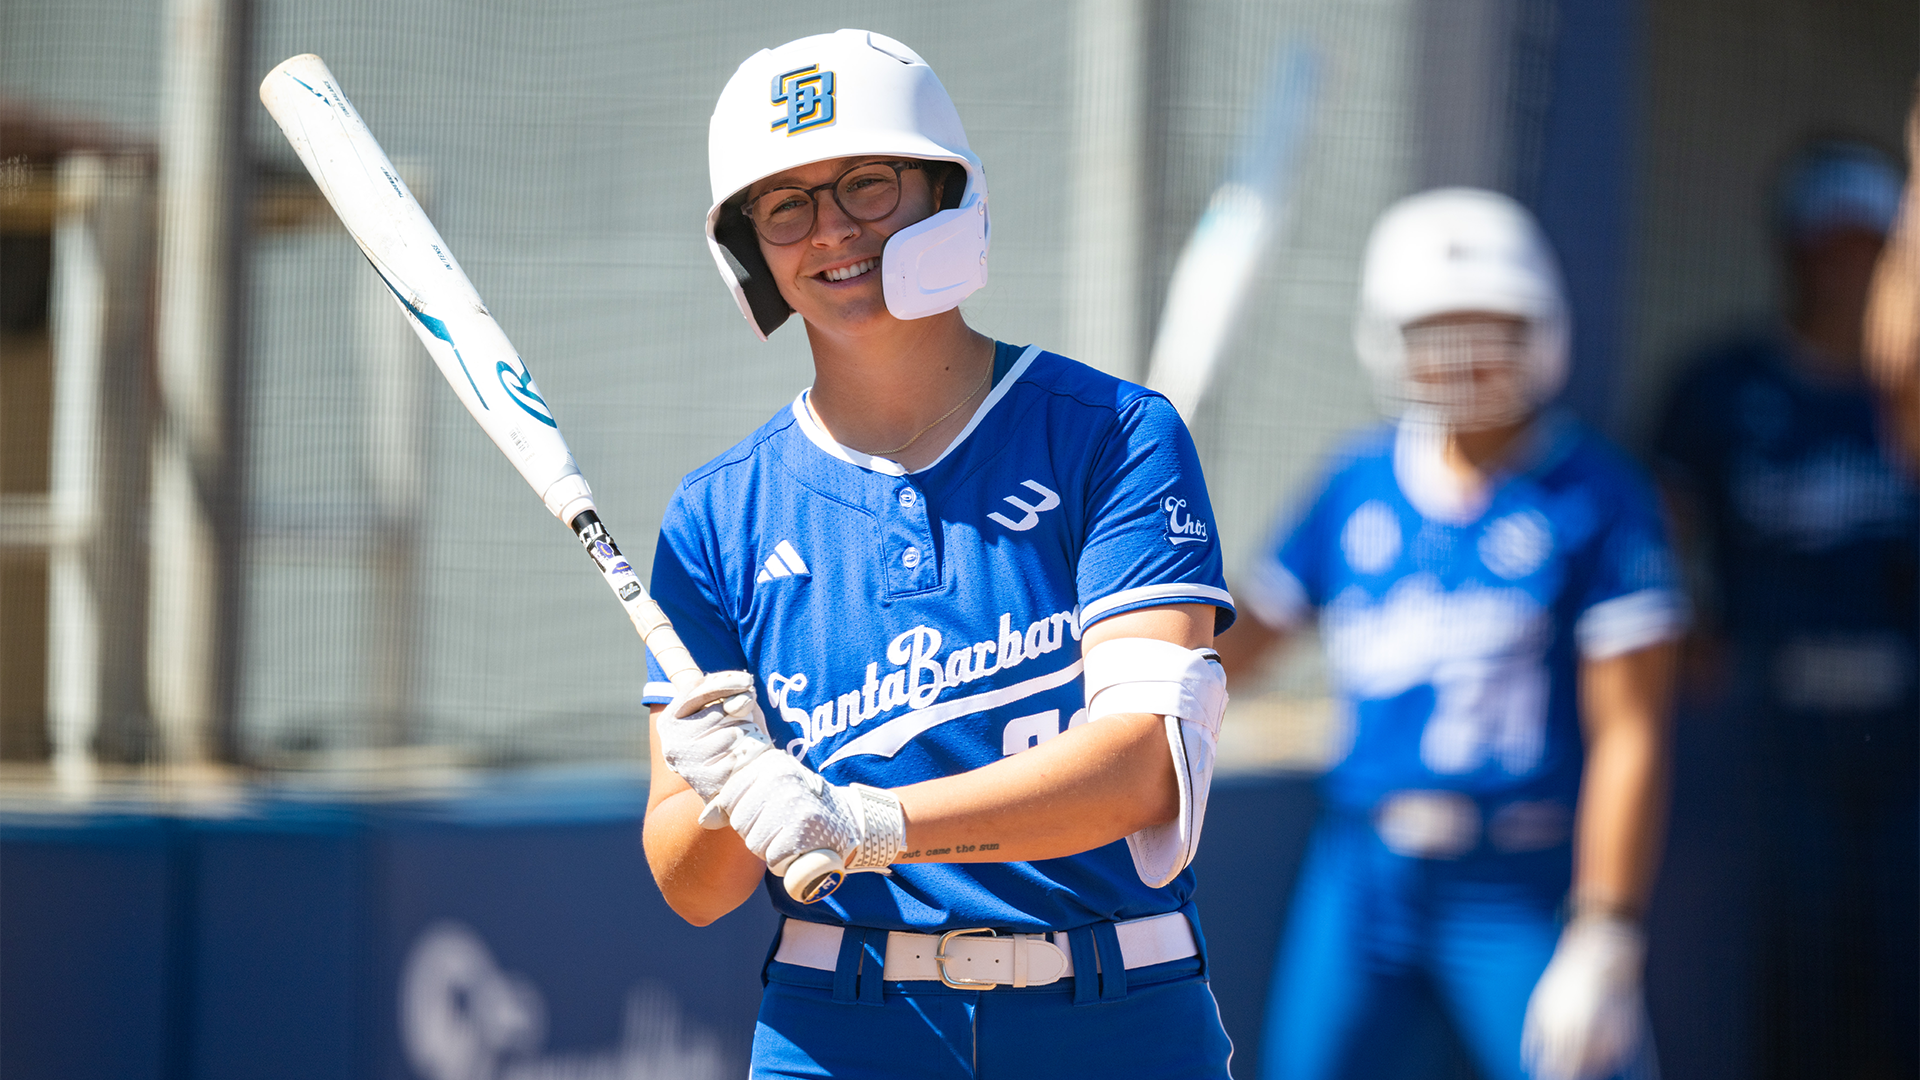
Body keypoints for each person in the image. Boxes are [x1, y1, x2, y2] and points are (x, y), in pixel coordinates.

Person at [637, 30, 1237, 1079]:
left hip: (1114, 1012)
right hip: (839, 1022)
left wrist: (868, 822)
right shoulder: (716, 516)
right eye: (786, 206)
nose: (832, 230)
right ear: (750, 249)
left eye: (867, 184)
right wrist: (736, 792)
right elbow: (693, 886)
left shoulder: (1114, 434)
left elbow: (1145, 767)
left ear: (945, 192)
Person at [1212, 189, 1684, 1080]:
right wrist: (1139, 606)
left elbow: (1632, 731)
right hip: (1362, 869)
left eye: (1489, 328)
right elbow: (1245, 642)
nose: (1463, 356)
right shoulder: (1355, 481)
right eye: (1434, 330)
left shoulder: (1600, 496)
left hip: (1518, 874)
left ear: (1542, 330)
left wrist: (1607, 929)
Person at [1653, 136, 1920, 1078]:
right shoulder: (1727, 387)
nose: (1845, 268)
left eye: (1868, 248)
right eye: (1827, 244)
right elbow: (1655, 525)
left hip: (1905, 732)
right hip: (1775, 728)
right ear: (1791, 249)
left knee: (1902, 970)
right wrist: (1685, 623)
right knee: (1795, 972)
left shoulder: (1906, 401)